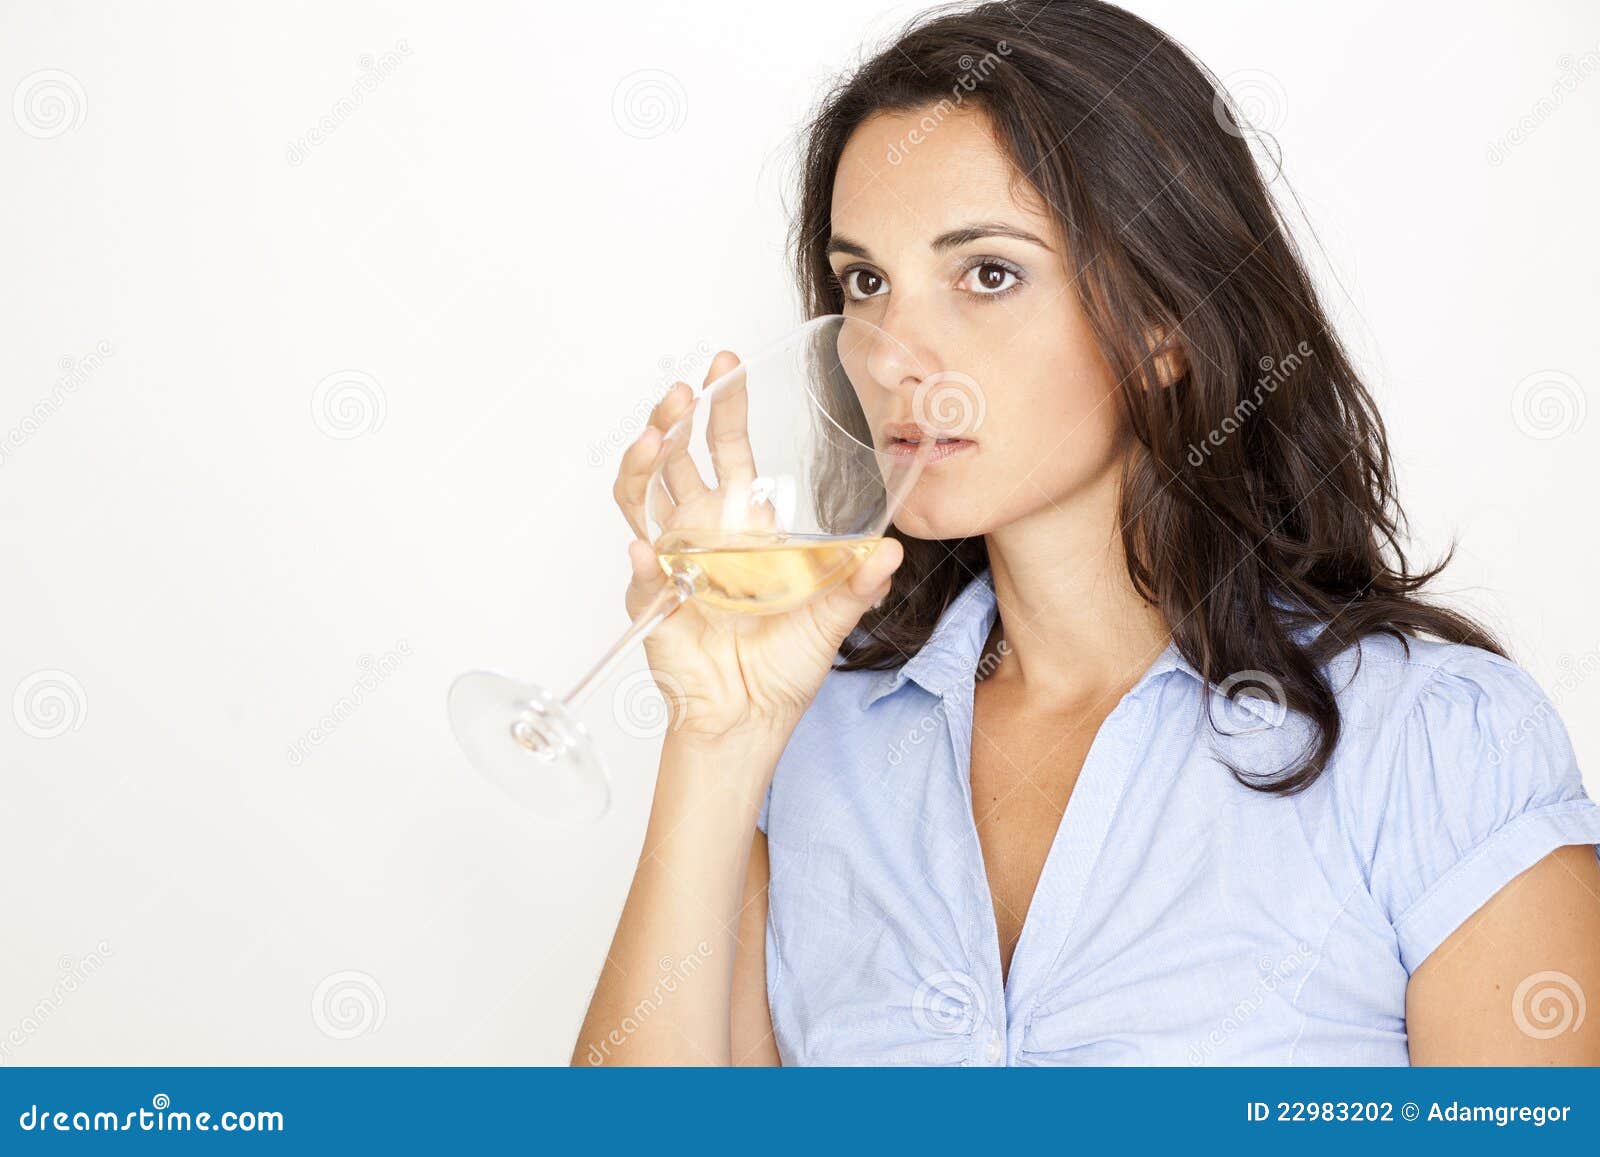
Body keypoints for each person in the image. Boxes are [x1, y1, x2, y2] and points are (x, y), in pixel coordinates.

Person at [574, 0, 1600, 1065]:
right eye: (865, 282)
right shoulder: (810, 748)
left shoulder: (1432, 746)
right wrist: (718, 744)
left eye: (986, 274)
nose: (888, 353)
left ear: (1164, 326)